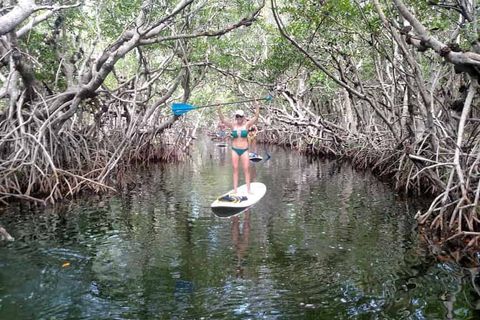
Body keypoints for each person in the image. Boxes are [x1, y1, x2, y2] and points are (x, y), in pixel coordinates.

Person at [218, 102, 260, 194]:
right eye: (237, 116)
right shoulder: (233, 125)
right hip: (235, 150)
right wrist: (219, 109)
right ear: (235, 117)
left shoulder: (247, 125)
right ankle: (235, 190)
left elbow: (256, 117)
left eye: (240, 116)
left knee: (246, 169)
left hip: (244, 150)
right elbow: (223, 119)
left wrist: (257, 106)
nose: (239, 118)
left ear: (243, 117)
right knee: (235, 169)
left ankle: (249, 190)